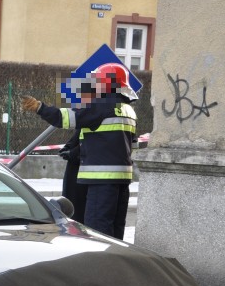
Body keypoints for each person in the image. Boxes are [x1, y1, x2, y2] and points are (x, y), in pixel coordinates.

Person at [22, 63, 138, 239]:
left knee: (97, 228)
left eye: (98, 82)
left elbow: (68, 118)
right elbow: (125, 143)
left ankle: (97, 265)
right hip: (122, 181)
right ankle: (114, 263)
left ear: (107, 84)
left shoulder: (102, 105)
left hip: (101, 180)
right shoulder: (129, 110)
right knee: (115, 228)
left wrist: (40, 108)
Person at [58, 128, 87, 224]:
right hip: (77, 172)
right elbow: (78, 136)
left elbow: (94, 142)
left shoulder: (94, 115)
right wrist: (68, 147)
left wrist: (73, 153)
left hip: (86, 173)